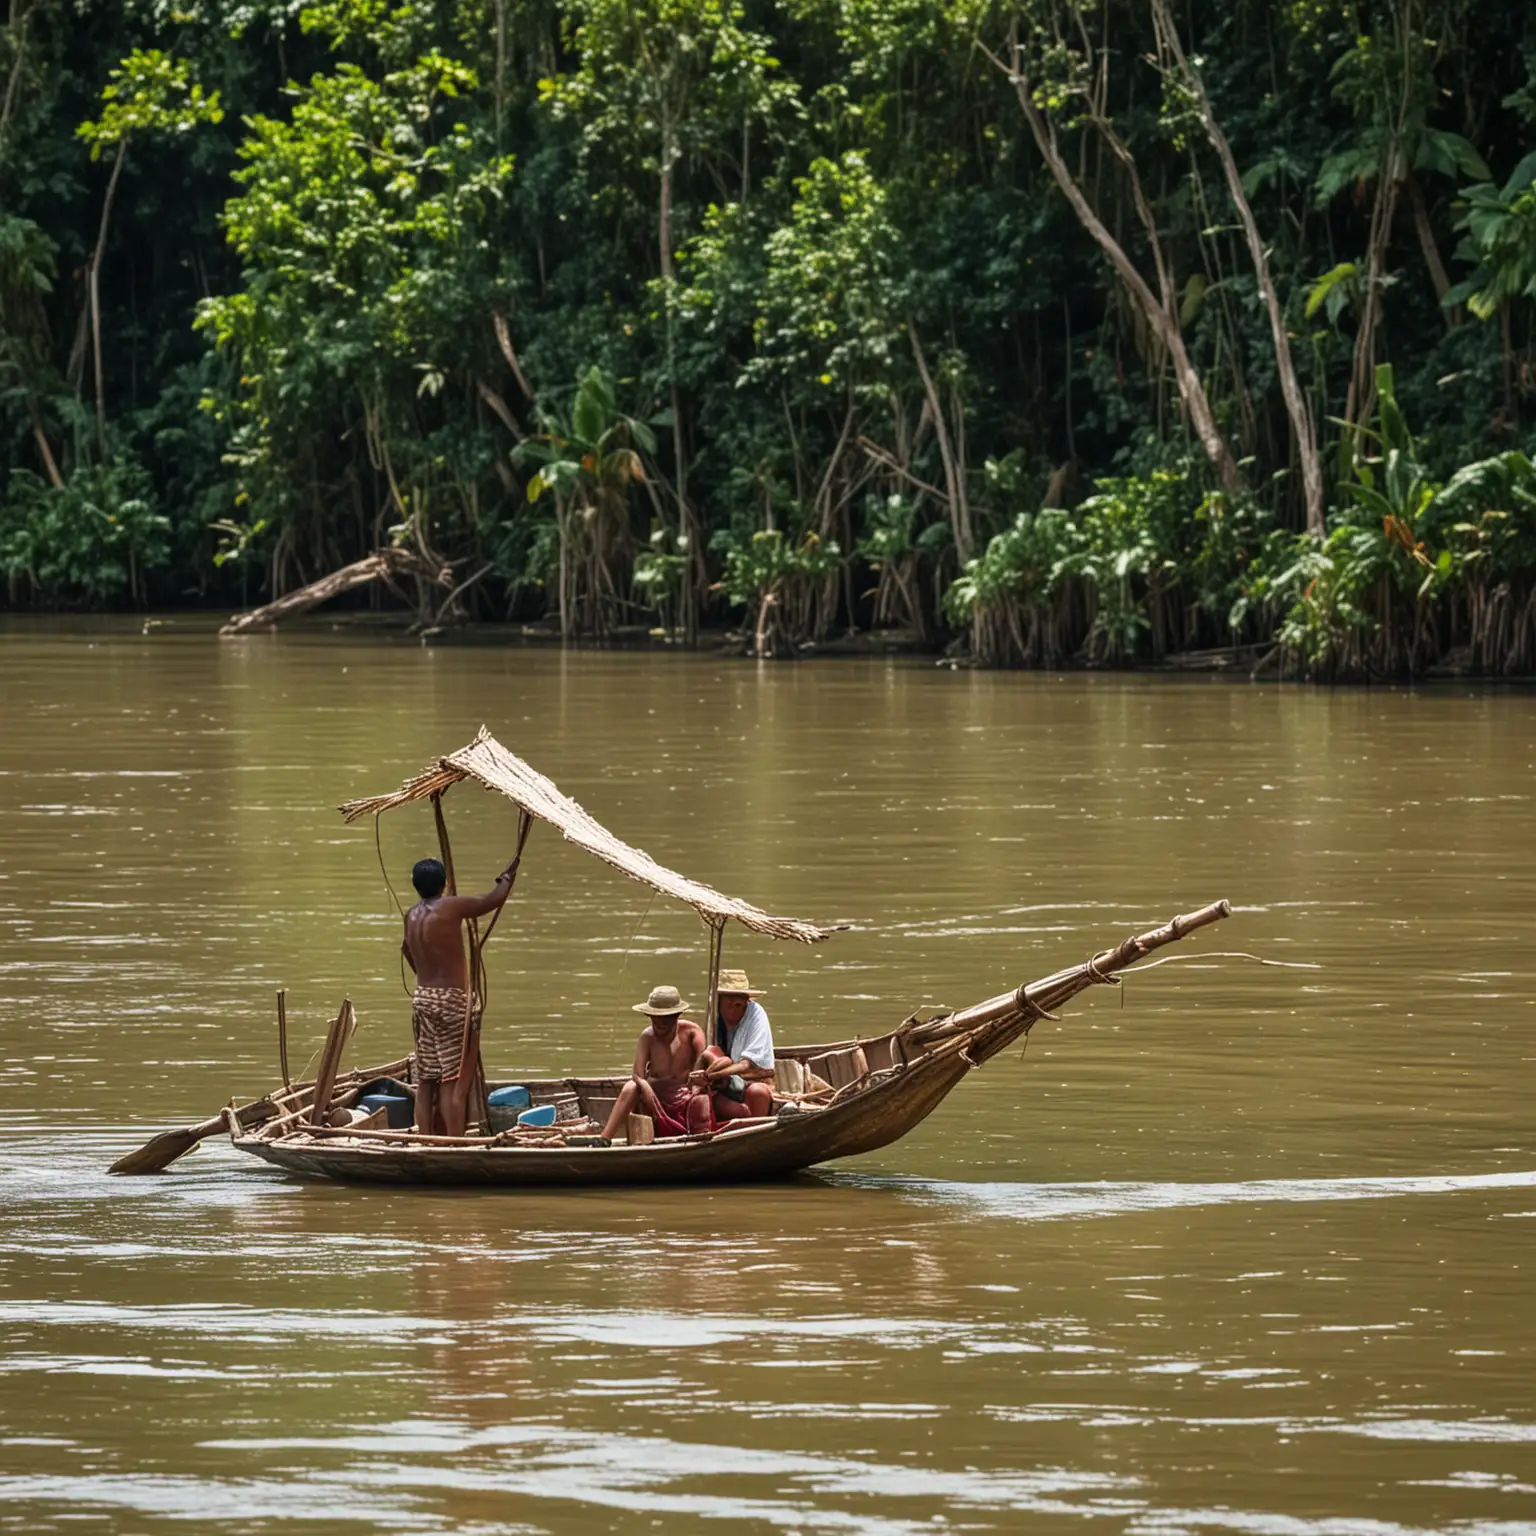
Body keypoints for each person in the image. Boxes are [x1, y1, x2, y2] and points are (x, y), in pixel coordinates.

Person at [401, 853, 518, 1136]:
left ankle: (427, 1140)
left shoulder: (411, 915)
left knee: (427, 1079)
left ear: (415, 885)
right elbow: (492, 900)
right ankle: (455, 1144)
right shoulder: (449, 907)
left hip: (423, 997)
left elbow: (406, 950)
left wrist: (426, 974)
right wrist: (506, 878)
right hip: (451, 1000)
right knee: (452, 1080)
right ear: (444, 884)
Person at [601, 985, 712, 1140]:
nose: (659, 1022)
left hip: (685, 1095)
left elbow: (700, 1068)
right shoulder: (647, 1037)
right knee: (630, 1087)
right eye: (655, 1017)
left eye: (666, 1018)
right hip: (655, 1097)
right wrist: (646, 1089)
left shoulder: (692, 1033)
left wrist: (694, 1087)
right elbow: (637, 1074)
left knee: (702, 1100)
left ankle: (700, 1142)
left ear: (677, 1015)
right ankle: (604, 1138)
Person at [692, 969, 775, 1122]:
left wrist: (713, 1075)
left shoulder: (756, 1015)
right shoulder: (714, 1016)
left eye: (739, 1002)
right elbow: (704, 1054)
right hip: (725, 1083)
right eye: (730, 1001)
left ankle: (753, 1130)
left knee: (758, 1093)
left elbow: (746, 1064)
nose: (735, 1007)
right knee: (711, 1053)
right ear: (720, 1000)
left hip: (751, 1081)